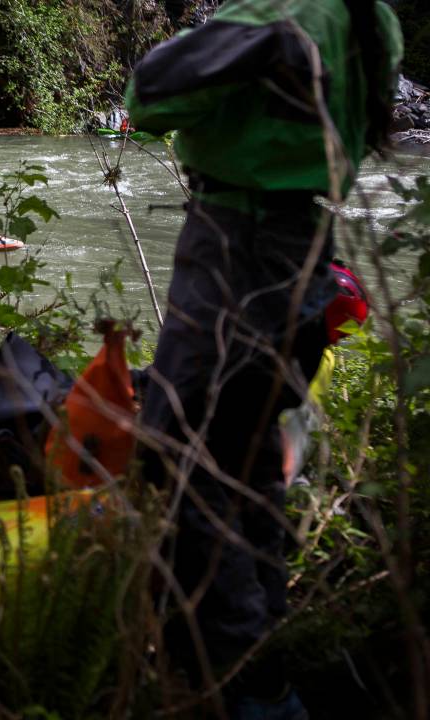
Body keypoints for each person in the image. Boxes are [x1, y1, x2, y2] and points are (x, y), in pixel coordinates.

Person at [124, 0, 402, 716]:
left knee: (180, 454)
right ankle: (269, 644)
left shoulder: (276, 13)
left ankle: (247, 682)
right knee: (246, 462)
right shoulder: (372, 21)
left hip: (234, 248)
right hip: (310, 248)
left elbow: (149, 95)